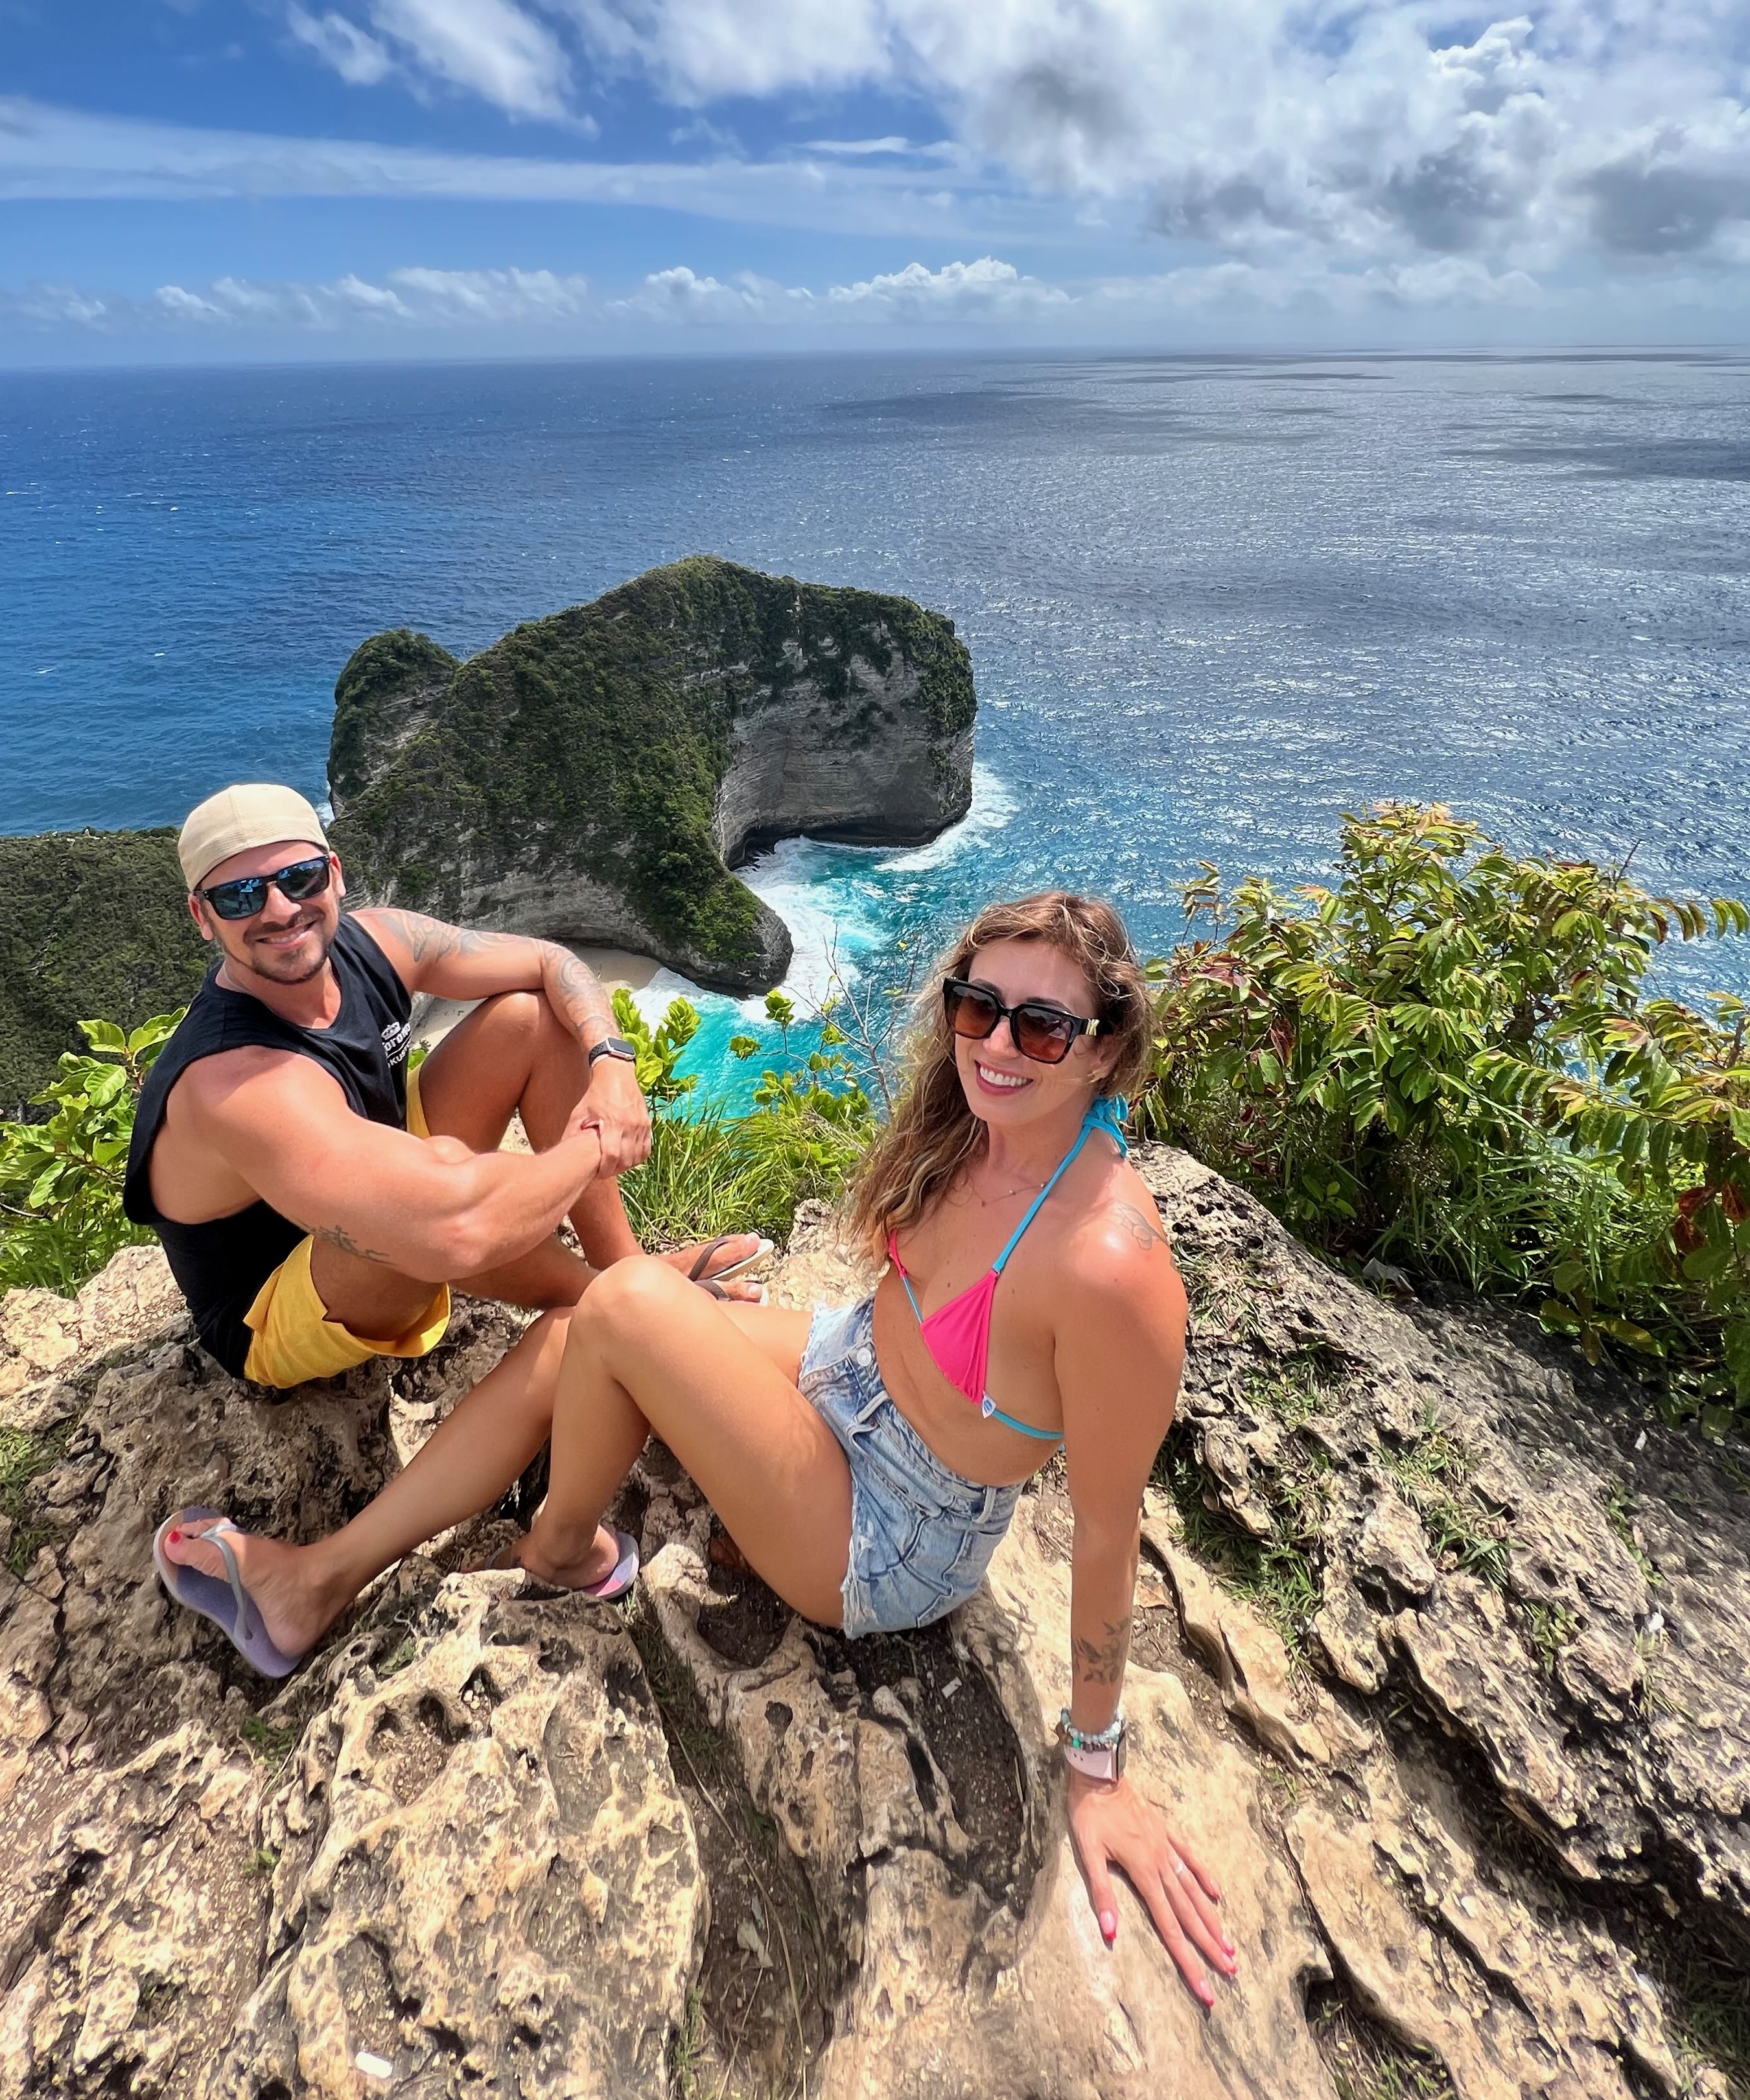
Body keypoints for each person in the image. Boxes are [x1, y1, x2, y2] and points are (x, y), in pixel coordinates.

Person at [163, 885, 1236, 2006]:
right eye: (979, 1009)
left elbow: (1111, 1530)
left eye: (1046, 1026)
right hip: (847, 1371)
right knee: (582, 1327)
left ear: (1107, 1050)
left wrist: (1099, 1768)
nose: (1001, 1047)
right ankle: (316, 1579)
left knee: (623, 1306)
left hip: (892, 1528)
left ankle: (564, 1551)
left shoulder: (1111, 1267)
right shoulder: (977, 1130)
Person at [135, 783, 766, 1664]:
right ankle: (316, 1579)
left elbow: (552, 963)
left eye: (297, 877)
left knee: (527, 1020)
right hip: (276, 1302)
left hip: (380, 1198)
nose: (279, 910)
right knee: (531, 1285)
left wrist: (608, 1059)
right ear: (204, 918)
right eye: (241, 897)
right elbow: (452, 1238)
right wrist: (590, 1147)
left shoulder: (378, 942)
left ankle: (635, 1282)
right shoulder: (237, 1080)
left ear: (335, 875)